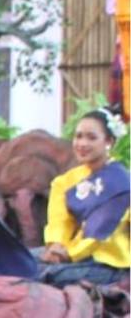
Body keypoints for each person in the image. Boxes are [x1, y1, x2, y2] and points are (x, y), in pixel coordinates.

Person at [38, 108, 130, 288]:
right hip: (68, 253)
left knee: (44, 275)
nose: (82, 143)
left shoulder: (122, 183)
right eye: (78, 136)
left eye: (91, 137)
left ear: (109, 141)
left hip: (107, 263)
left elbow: (100, 232)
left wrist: (69, 254)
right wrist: (56, 245)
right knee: (19, 261)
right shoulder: (65, 181)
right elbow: (59, 221)